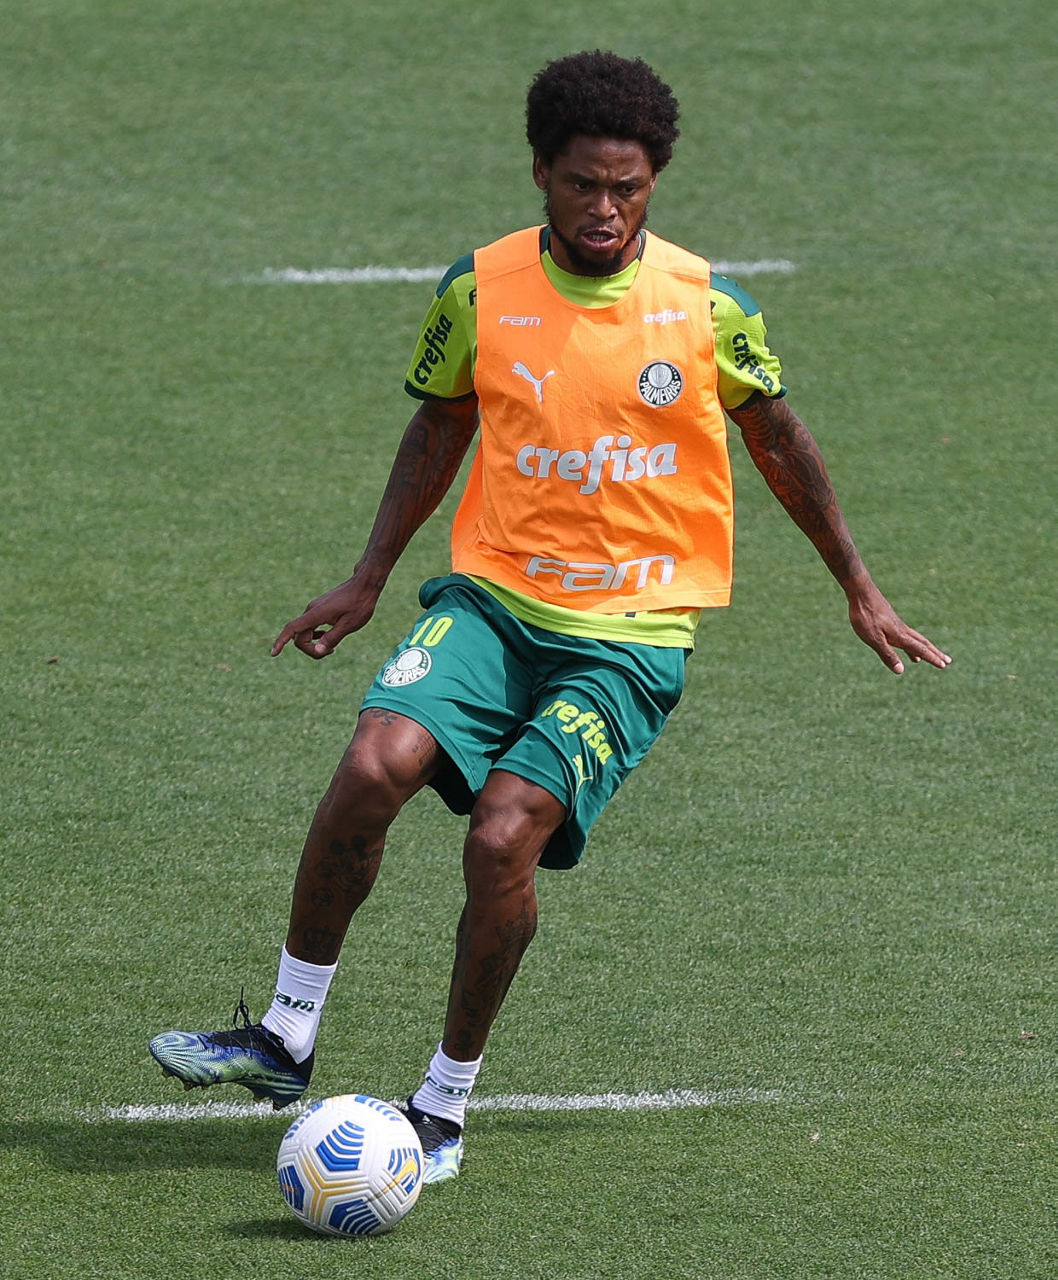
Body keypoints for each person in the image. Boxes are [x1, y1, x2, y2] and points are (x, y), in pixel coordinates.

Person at [149, 50, 951, 1182]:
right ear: (541, 173)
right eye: (583, 184)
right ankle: (285, 1033)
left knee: (501, 836)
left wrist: (858, 587)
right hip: (491, 601)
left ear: (654, 181)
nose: (605, 208)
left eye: (628, 187)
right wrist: (370, 574)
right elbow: (439, 424)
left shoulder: (705, 307)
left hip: (630, 635)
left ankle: (442, 1105)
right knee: (373, 764)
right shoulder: (478, 291)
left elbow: (778, 438)